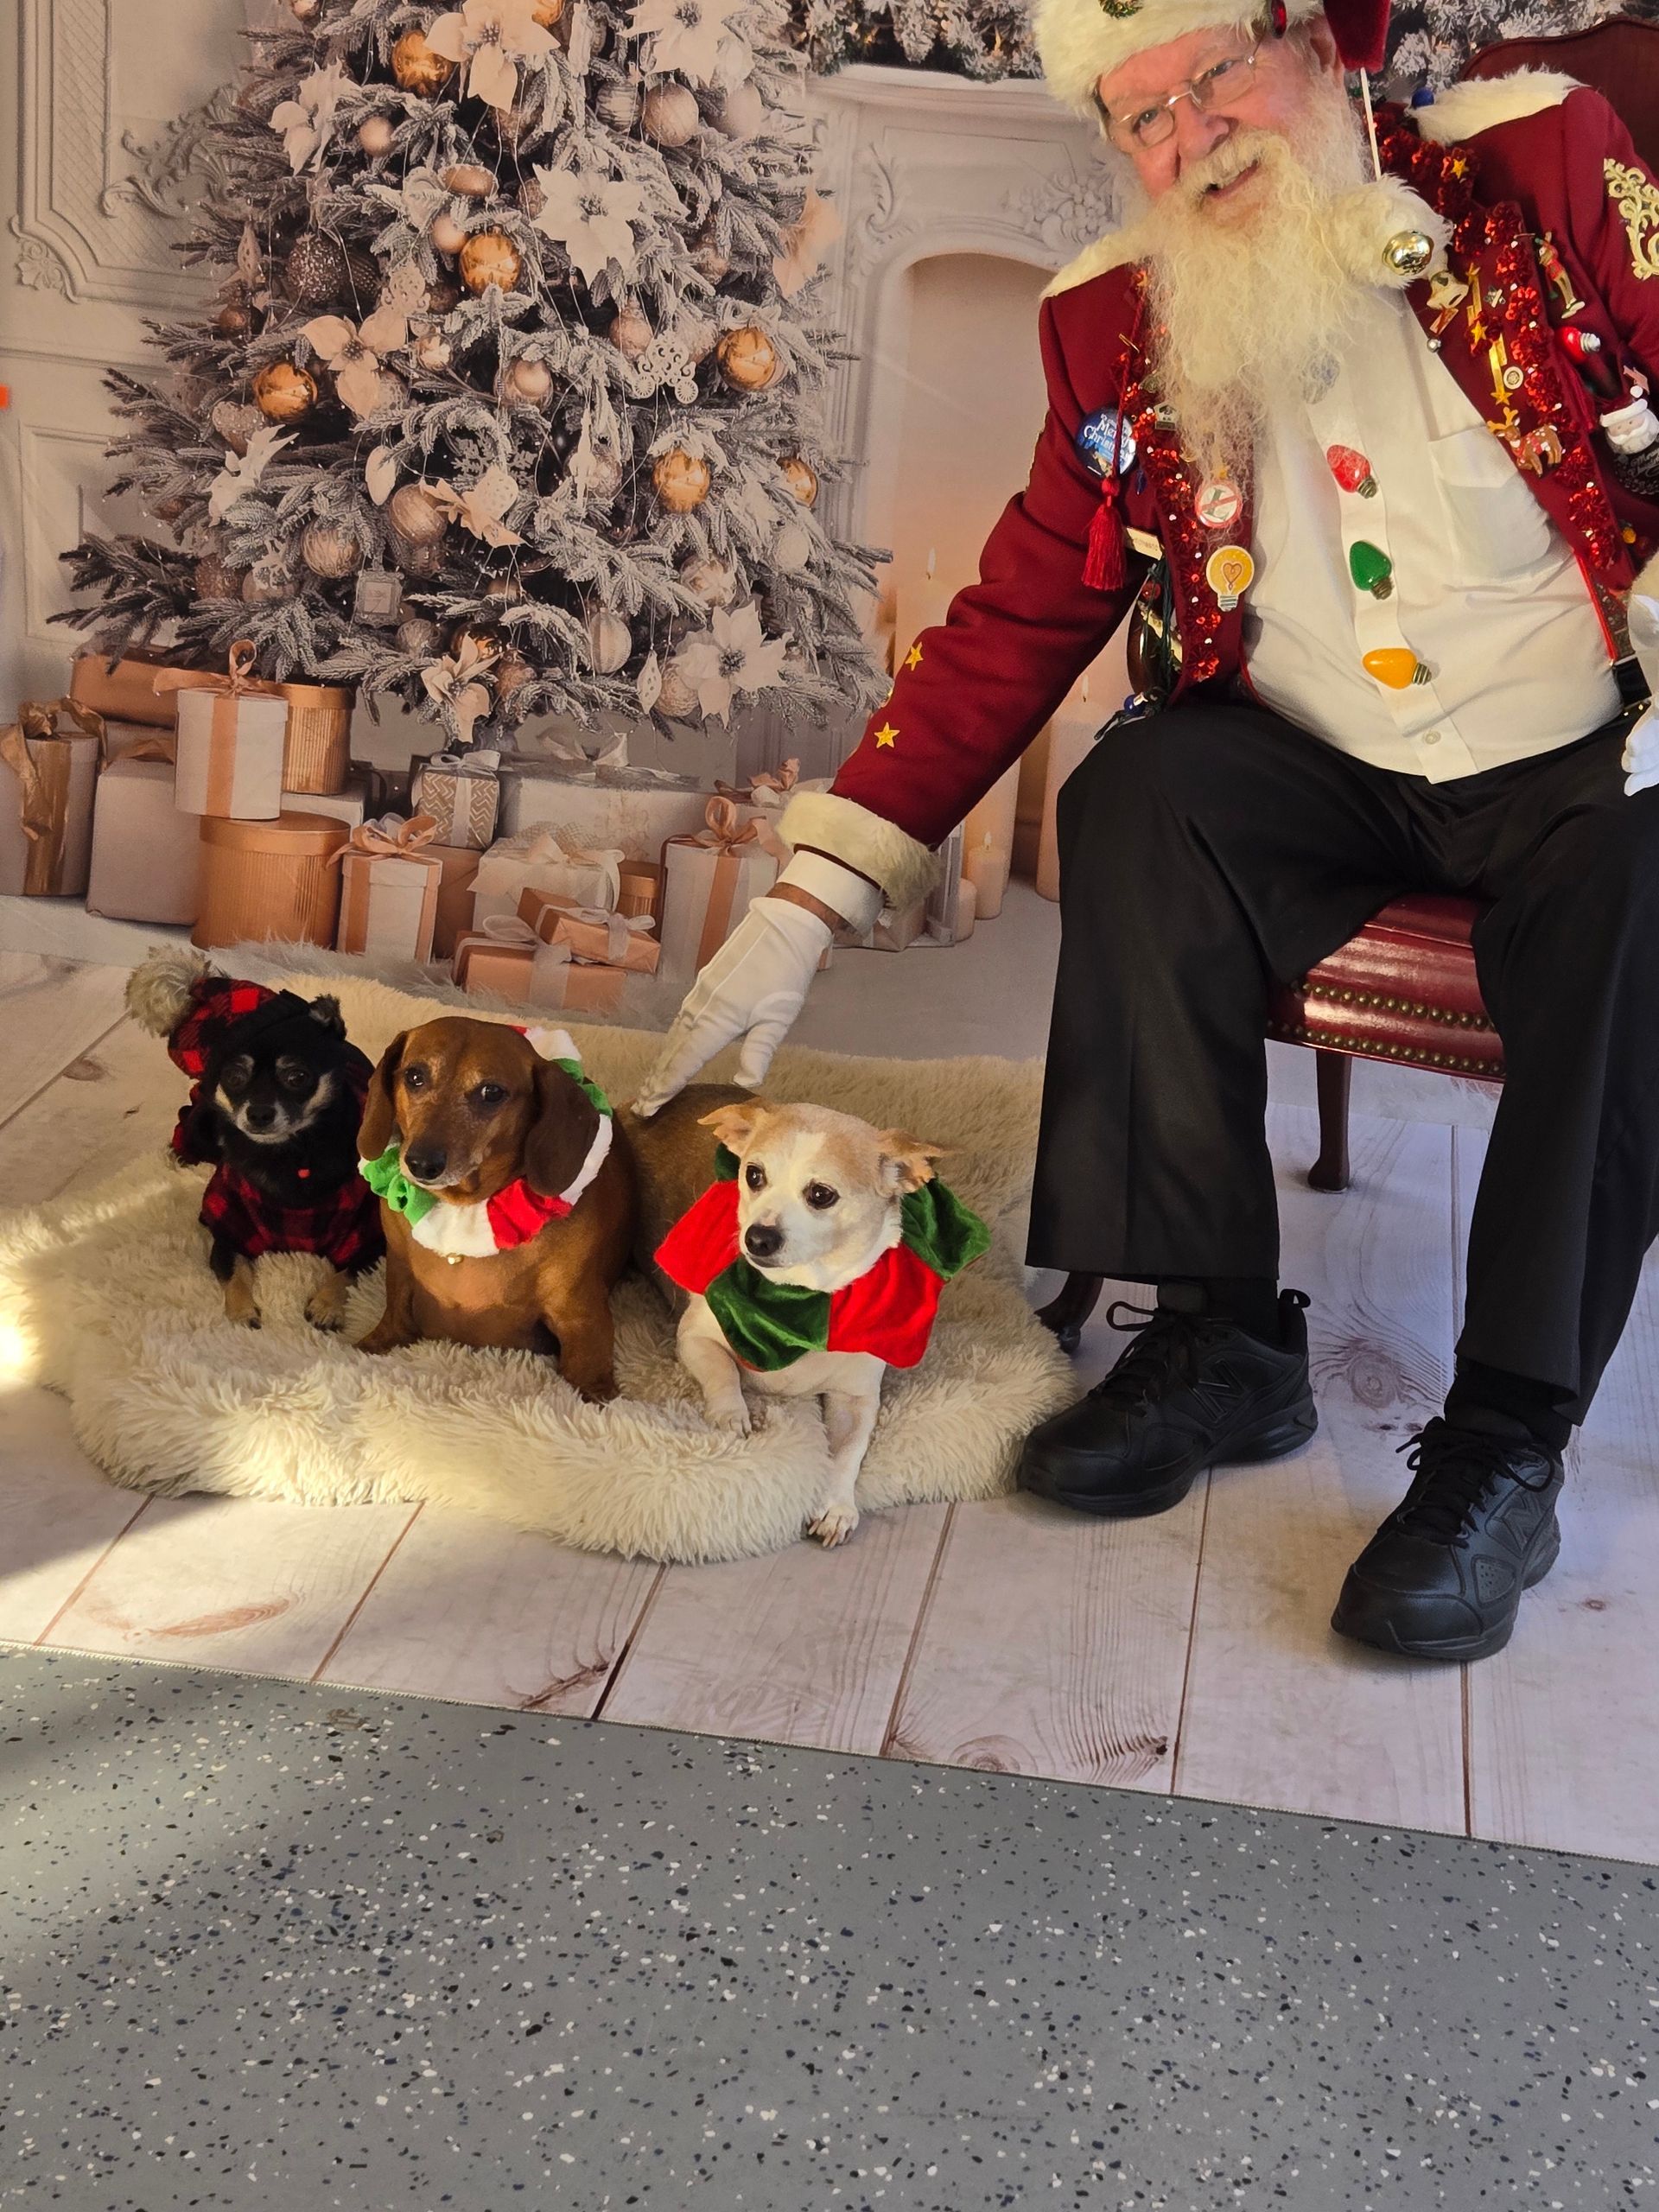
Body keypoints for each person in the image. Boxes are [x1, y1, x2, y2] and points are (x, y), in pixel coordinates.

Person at [634, 0, 1659, 1664]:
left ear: (1318, 46)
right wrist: (807, 902)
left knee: (1645, 881)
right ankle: (1219, 1338)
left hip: (1591, 757)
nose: (1193, 136)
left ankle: (1504, 1441)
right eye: (1142, 115)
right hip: (1327, 768)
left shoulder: (1532, 166)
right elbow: (1015, 618)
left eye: (1216, 74)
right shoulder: (1111, 320)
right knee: (1140, 794)